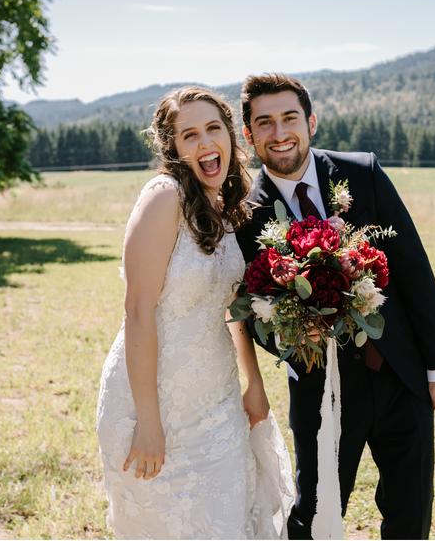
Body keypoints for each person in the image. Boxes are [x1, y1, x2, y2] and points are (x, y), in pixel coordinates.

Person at [235, 73, 435, 540]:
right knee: (315, 515)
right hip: (321, 389)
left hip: (401, 372)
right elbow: (250, 310)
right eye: (265, 123)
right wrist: (289, 333)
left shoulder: (362, 173)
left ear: (311, 121)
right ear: (249, 134)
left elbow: (413, 267)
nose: (280, 133)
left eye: (290, 118)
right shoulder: (243, 214)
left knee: (412, 510)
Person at [96, 86, 293, 539]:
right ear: (173, 148)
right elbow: (139, 310)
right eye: (189, 135)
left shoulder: (225, 207)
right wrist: (149, 422)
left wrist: (255, 385)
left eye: (212, 129)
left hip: (217, 402)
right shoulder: (165, 197)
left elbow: (233, 310)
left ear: (229, 134)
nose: (205, 143)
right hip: (153, 401)